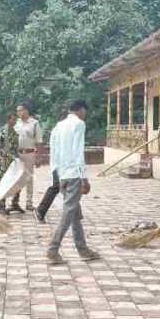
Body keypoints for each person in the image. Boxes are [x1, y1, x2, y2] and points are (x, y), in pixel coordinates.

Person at [46, 99, 99, 263]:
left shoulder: (58, 126)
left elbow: (53, 151)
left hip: (62, 174)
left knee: (75, 213)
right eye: (85, 112)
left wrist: (56, 173)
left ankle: (83, 249)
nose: (85, 115)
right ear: (81, 110)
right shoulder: (79, 124)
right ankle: (53, 249)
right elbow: (78, 152)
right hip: (74, 174)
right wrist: (84, 178)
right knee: (69, 212)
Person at [13, 102, 43, 212]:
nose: (19, 113)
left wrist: (39, 157)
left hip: (30, 154)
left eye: (20, 110)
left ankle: (29, 202)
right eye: (17, 111)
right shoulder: (16, 123)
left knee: (29, 178)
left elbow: (39, 141)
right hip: (18, 154)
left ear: (26, 110)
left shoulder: (34, 123)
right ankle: (15, 201)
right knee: (17, 177)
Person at [0, 112, 20, 216]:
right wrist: (7, 156)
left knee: (16, 182)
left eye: (15, 119)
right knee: (2, 184)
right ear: (8, 120)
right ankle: (0, 206)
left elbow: (15, 147)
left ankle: (15, 203)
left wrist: (16, 156)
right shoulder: (2, 131)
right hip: (3, 163)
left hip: (13, 163)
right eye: (13, 119)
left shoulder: (14, 132)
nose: (15, 121)